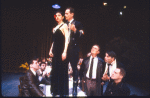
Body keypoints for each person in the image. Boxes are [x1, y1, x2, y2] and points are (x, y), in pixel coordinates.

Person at [49, 10, 69, 97]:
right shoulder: (54, 28)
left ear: (62, 17)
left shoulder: (64, 26)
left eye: (59, 15)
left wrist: (64, 52)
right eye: (56, 16)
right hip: (55, 52)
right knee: (55, 70)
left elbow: (67, 40)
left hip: (61, 51)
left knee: (61, 71)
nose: (57, 17)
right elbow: (54, 41)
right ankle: (55, 91)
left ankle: (62, 92)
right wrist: (50, 50)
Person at [65, 7, 84, 96]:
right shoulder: (64, 24)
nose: (65, 15)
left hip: (73, 49)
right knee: (64, 69)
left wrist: (75, 30)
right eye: (65, 13)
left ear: (72, 14)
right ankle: (64, 88)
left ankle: (75, 90)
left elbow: (81, 35)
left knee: (74, 69)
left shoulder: (78, 23)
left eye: (67, 13)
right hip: (64, 50)